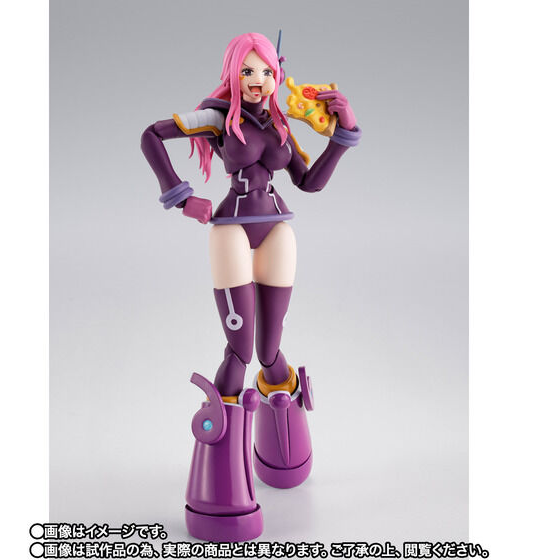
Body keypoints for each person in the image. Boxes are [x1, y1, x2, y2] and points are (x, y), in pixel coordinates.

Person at [141, 32, 361, 542]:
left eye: (267, 72)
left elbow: (309, 182)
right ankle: (219, 489)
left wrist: (344, 134)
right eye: (248, 71)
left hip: (277, 228)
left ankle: (282, 451)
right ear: (233, 73)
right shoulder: (218, 117)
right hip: (231, 230)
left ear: (277, 75)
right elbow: (151, 134)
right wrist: (180, 196)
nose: (258, 81)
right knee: (239, 351)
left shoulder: (281, 123)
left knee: (269, 348)